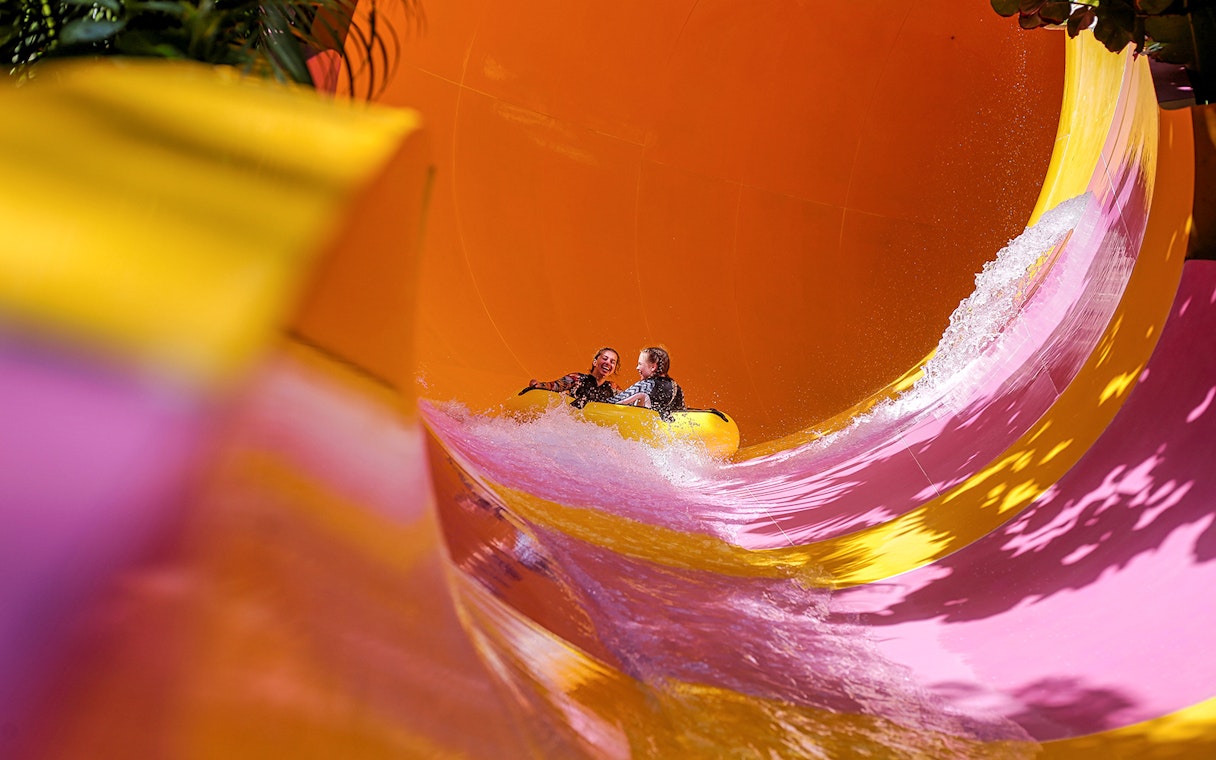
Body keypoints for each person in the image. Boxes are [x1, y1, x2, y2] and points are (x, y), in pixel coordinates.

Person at [528, 347, 620, 408]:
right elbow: (555, 386)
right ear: (595, 362)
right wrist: (540, 385)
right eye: (605, 358)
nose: (608, 363)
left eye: (612, 362)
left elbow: (628, 400)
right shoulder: (577, 378)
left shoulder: (613, 387)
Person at [610, 346, 686, 419]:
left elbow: (613, 402)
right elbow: (682, 414)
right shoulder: (676, 387)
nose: (637, 368)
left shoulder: (647, 385)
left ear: (653, 367)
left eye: (640, 364)